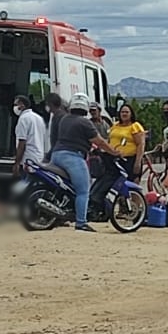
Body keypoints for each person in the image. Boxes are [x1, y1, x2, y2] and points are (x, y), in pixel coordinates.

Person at [50, 92, 121, 232]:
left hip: (56, 155)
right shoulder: (85, 122)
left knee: (65, 187)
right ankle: (81, 222)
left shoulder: (65, 119)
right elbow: (99, 141)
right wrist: (113, 152)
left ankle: (58, 215)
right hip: (73, 158)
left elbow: (77, 138)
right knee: (83, 190)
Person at [107, 102, 146, 180]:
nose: (124, 114)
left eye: (127, 112)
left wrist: (138, 162)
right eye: (122, 112)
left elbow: (140, 144)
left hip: (130, 160)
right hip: (115, 159)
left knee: (130, 183)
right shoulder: (115, 125)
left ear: (131, 114)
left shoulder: (135, 126)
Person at [11, 95, 47, 178]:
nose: (14, 107)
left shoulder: (23, 119)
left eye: (16, 105)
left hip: (27, 159)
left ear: (22, 105)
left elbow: (22, 143)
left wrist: (16, 163)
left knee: (25, 185)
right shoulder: (38, 118)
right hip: (39, 157)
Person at [43, 92, 66, 163]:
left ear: (50, 104)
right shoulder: (57, 116)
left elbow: (58, 139)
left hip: (59, 152)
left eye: (46, 104)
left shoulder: (59, 117)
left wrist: (48, 156)